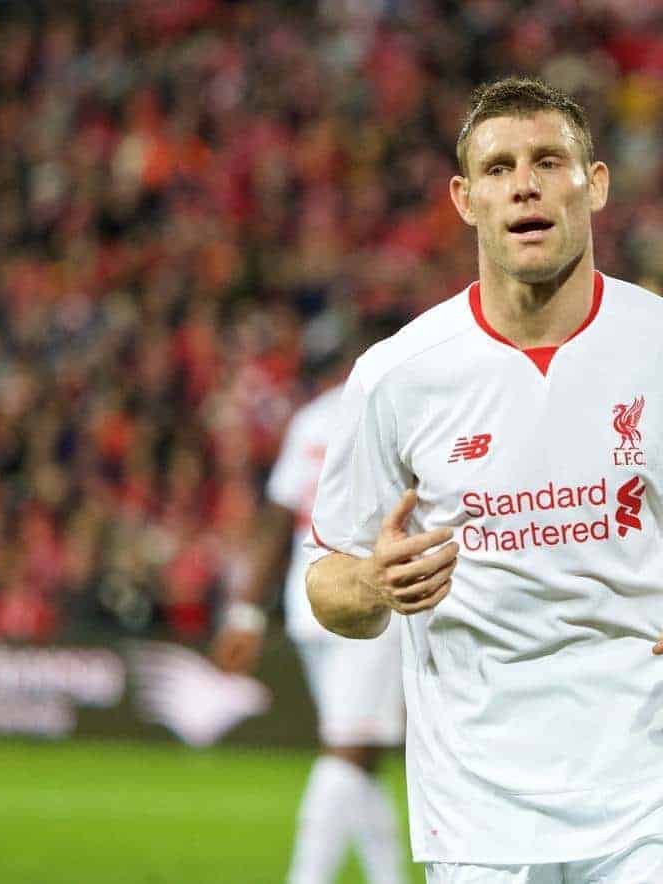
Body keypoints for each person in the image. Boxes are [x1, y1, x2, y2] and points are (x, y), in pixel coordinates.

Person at [304, 77, 663, 883]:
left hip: (657, 777)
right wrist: (374, 583)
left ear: (596, 184)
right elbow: (328, 581)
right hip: (476, 797)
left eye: (550, 160)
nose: (525, 184)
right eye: (499, 167)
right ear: (465, 198)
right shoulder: (398, 375)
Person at [213, 311, 409, 884]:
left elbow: (276, 523)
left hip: (309, 604)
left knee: (360, 751)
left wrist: (246, 612)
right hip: (367, 601)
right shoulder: (394, 415)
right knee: (350, 749)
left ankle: (388, 876)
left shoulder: (311, 420)